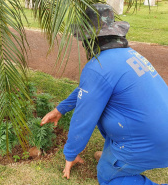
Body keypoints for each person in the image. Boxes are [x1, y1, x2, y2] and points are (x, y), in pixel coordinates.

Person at [40, 3, 168, 185]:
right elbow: (91, 90)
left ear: (89, 40)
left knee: (107, 178)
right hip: (159, 133)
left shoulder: (98, 66)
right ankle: (115, 156)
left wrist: (70, 153)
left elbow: (83, 118)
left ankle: (120, 164)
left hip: (153, 143)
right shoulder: (129, 55)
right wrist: (61, 109)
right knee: (113, 104)